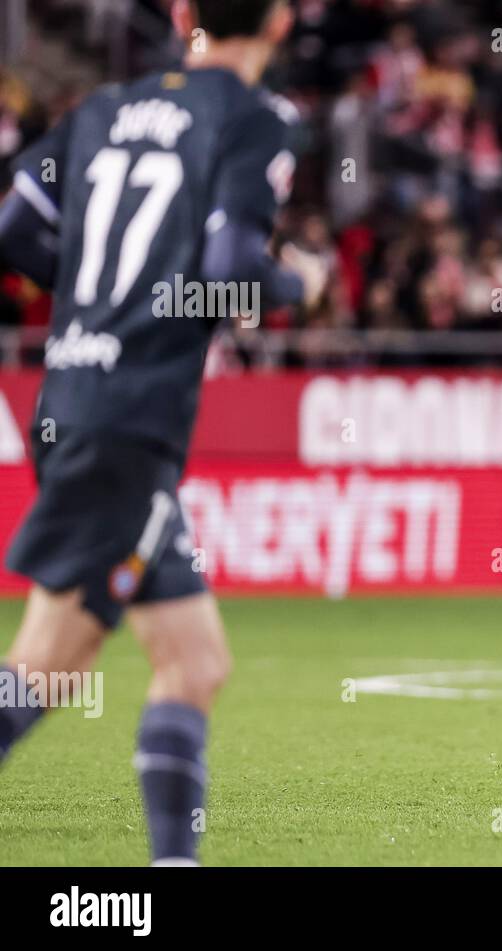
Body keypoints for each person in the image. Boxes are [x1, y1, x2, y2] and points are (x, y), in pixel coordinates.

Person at [0, 0, 321, 864]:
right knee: (44, 666)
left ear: (183, 15)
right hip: (128, 420)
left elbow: (17, 229)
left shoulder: (99, 111)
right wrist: (296, 287)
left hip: (74, 398)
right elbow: (228, 275)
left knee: (193, 661)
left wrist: (92, 300)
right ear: (282, 22)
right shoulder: (255, 120)